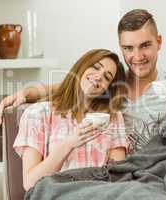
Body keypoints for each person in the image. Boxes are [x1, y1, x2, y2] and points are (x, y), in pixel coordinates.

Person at [0, 9, 166, 142]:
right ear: (121, 47)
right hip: (115, 170)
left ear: (159, 42)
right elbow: (73, 85)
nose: (137, 56)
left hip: (158, 170)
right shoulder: (112, 83)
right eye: (128, 48)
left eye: (145, 46)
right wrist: (27, 93)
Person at [13, 49, 129, 191]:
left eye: (107, 77)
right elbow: (30, 182)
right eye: (95, 67)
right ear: (81, 67)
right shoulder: (38, 113)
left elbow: (118, 176)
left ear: (107, 88)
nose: (99, 77)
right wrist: (69, 143)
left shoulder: (112, 117)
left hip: (101, 193)